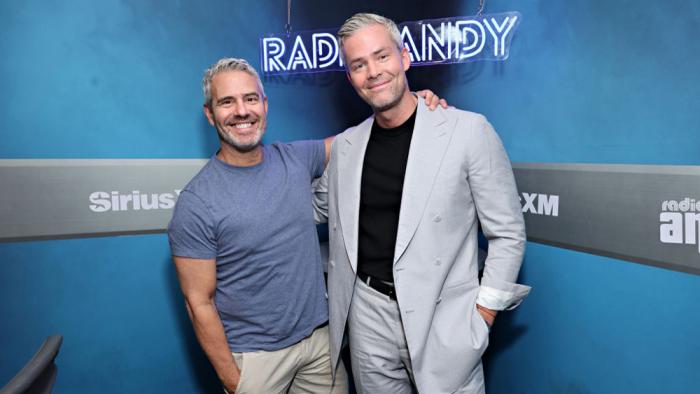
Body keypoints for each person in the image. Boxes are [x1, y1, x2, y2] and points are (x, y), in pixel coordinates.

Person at [167, 57, 444, 393]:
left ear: (265, 105)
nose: (242, 111)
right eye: (227, 102)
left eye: (250, 98)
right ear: (210, 113)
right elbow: (199, 303)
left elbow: (356, 138)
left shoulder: (295, 159)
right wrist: (235, 381)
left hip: (319, 347)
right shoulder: (197, 202)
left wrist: (411, 104)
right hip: (255, 360)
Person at [314, 13, 531, 394]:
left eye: (382, 57)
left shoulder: (467, 131)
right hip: (367, 317)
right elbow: (310, 207)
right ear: (350, 78)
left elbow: (507, 232)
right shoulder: (347, 146)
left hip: (444, 317)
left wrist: (482, 316)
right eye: (358, 64)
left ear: (405, 57)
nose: (373, 72)